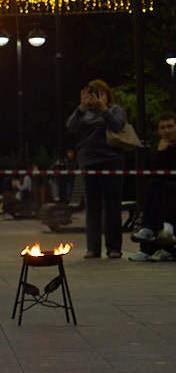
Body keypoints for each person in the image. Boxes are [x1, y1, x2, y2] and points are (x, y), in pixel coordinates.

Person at [66, 80, 128, 258]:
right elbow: (70, 126)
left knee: (112, 206)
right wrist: (81, 107)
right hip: (88, 161)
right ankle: (93, 248)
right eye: (94, 93)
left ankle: (114, 247)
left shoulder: (115, 110)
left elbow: (118, 126)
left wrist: (104, 109)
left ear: (108, 95)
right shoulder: (85, 113)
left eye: (102, 93)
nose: (97, 97)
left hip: (111, 160)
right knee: (92, 206)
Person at [129, 113, 176, 261]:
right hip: (167, 188)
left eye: (170, 126)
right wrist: (161, 153)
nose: (167, 131)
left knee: (170, 189)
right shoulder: (162, 147)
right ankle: (148, 238)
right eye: (163, 127)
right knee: (153, 186)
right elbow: (158, 173)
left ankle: (168, 231)